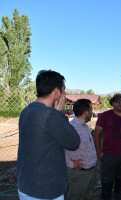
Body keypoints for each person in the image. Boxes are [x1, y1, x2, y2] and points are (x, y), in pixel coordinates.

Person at [17, 70, 80, 200]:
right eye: (64, 90)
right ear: (57, 92)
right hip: (46, 191)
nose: (65, 94)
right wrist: (61, 113)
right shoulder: (51, 115)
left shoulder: (26, 111)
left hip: (26, 185)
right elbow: (74, 142)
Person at [94, 93, 121, 200]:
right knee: (106, 185)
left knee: (119, 184)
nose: (120, 103)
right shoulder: (104, 116)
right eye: (117, 101)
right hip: (108, 156)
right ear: (112, 103)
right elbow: (97, 134)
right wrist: (99, 152)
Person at [65, 99, 97, 200]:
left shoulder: (85, 127)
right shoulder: (71, 128)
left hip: (89, 171)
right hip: (79, 174)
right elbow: (60, 149)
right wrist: (71, 164)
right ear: (86, 112)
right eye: (91, 109)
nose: (92, 112)